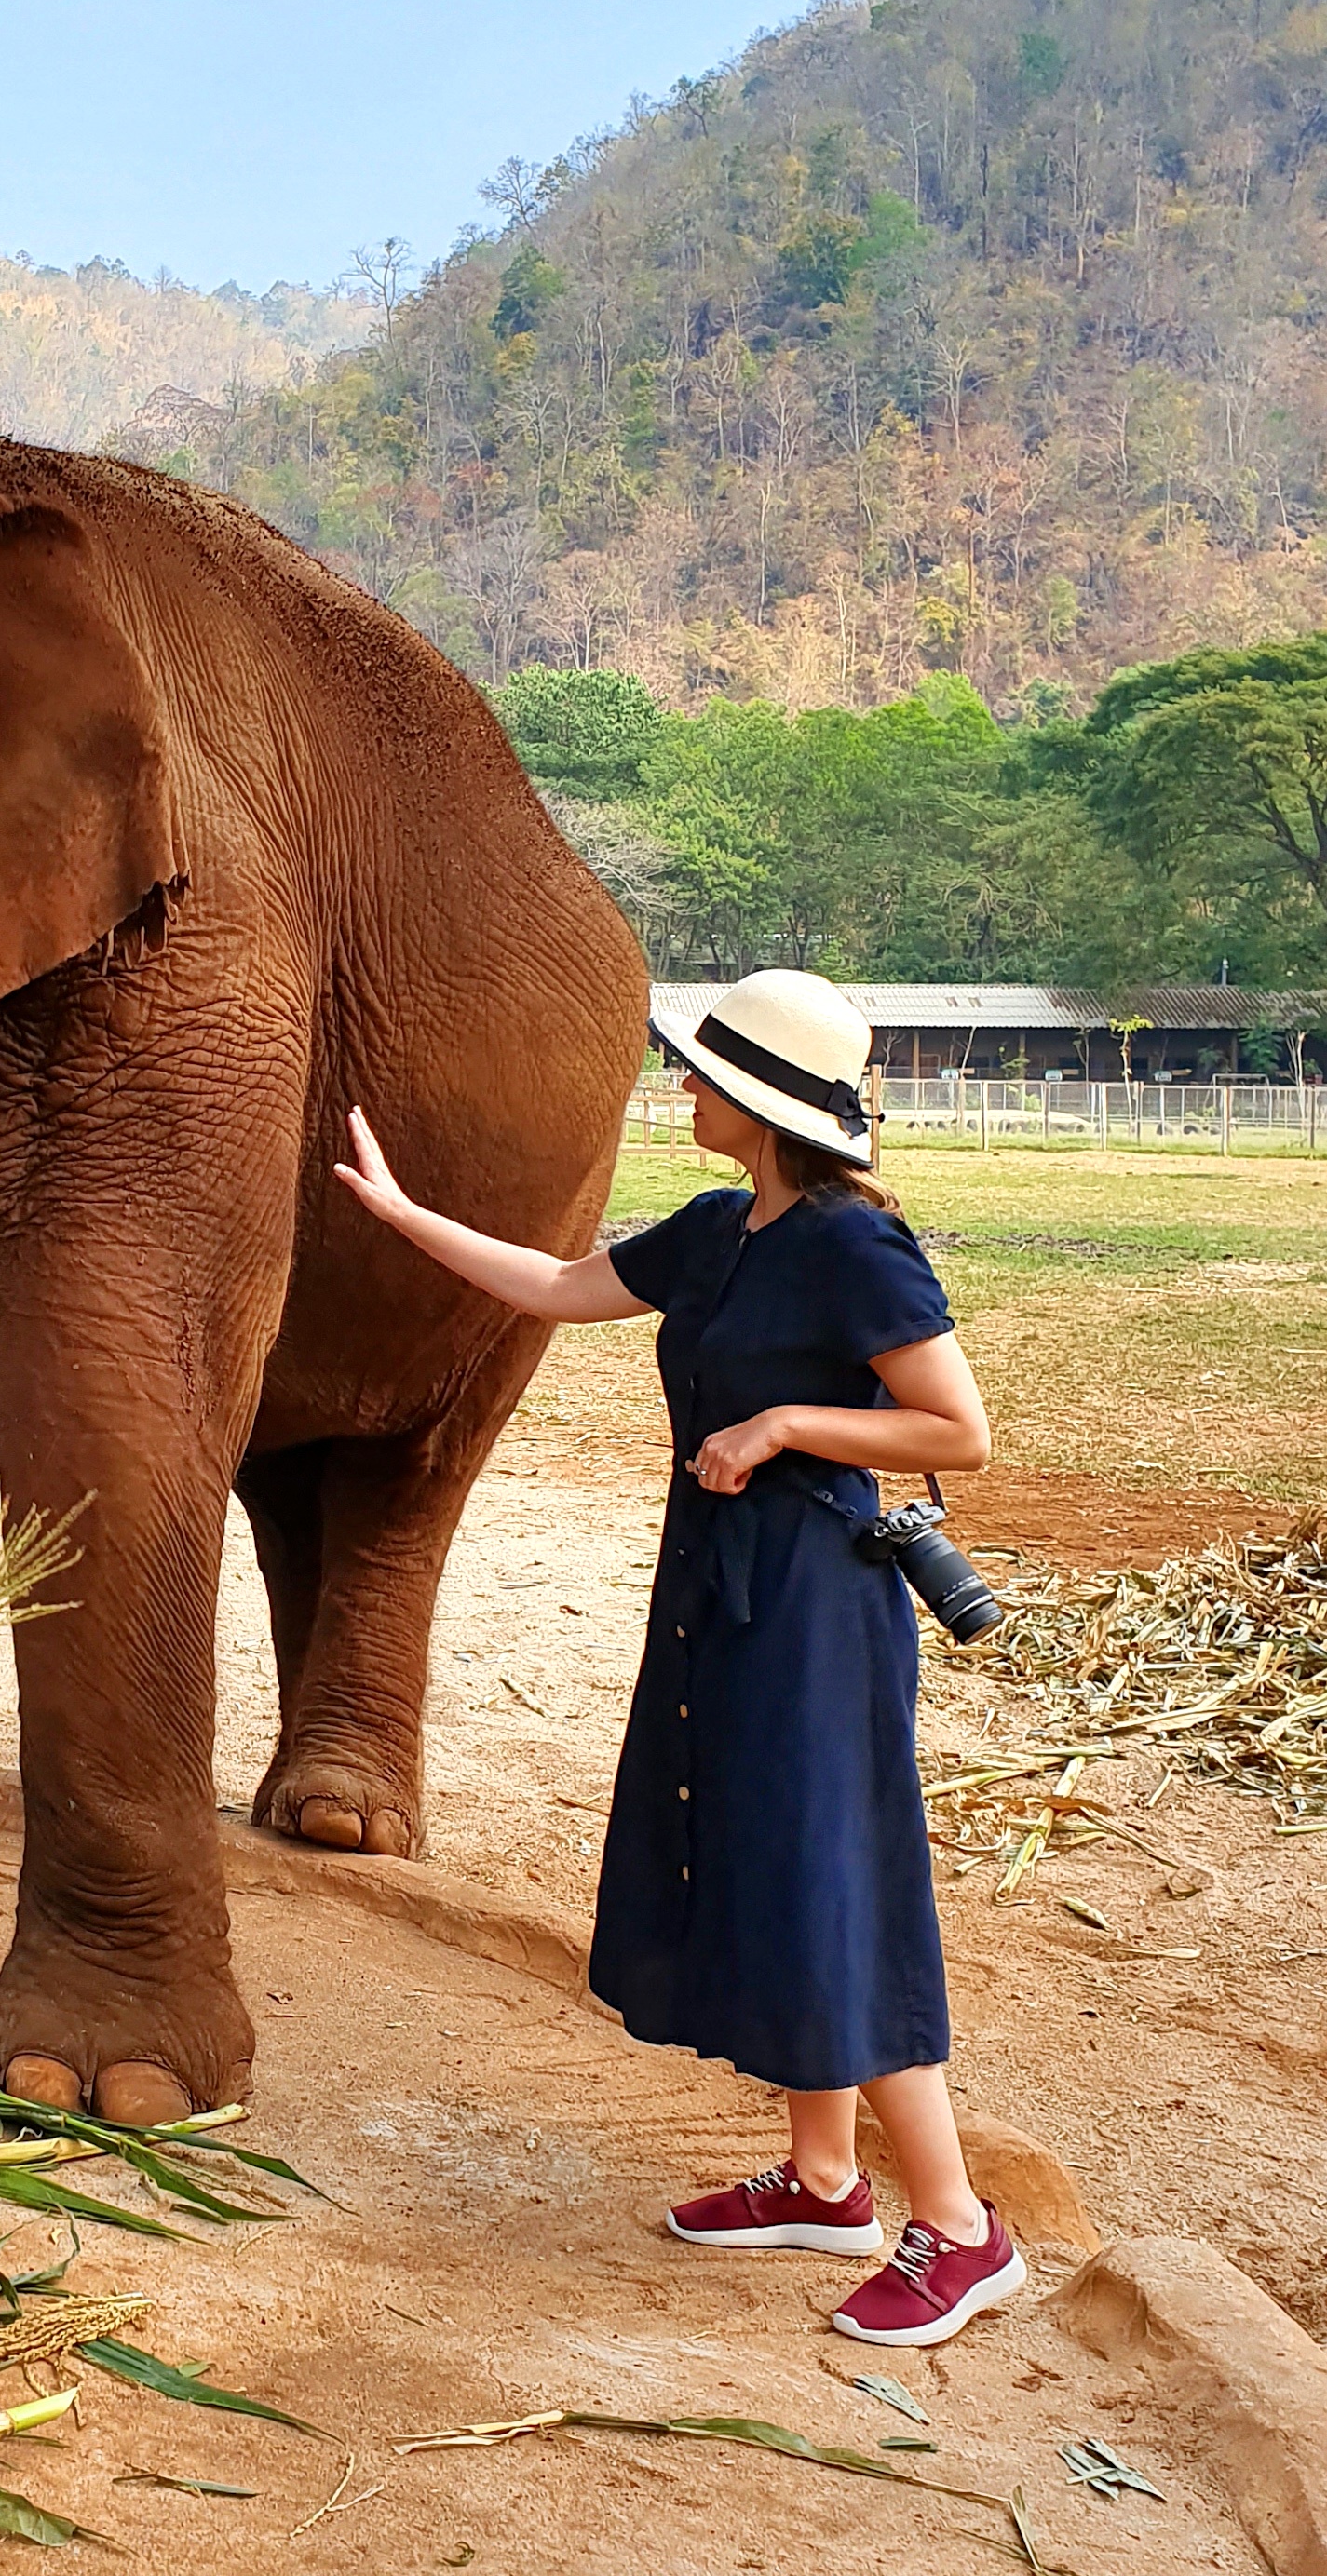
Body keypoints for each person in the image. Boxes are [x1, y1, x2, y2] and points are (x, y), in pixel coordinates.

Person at [336, 967, 1020, 2348]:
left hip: (819, 1611)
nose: (682, 1091)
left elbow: (957, 1431)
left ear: (762, 1106)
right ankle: (825, 2183)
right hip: (717, 1595)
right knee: (762, 1869)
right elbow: (551, 1283)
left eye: (703, 1075)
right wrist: (401, 1215)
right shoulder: (717, 1232)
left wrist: (781, 1426)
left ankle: (957, 2225)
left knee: (833, 1886)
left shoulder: (852, 1247)